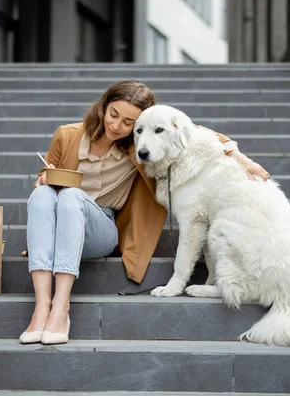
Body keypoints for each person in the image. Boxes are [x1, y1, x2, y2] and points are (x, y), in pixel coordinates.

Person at [19, 80, 269, 345]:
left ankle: (61, 306)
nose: (117, 126)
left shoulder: (136, 147)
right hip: (60, 229)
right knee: (44, 194)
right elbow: (46, 175)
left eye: (129, 122)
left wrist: (240, 157)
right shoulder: (67, 135)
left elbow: (192, 130)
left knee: (70, 196)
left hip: (100, 230)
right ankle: (41, 305)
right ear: (104, 106)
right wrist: (43, 179)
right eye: (113, 114)